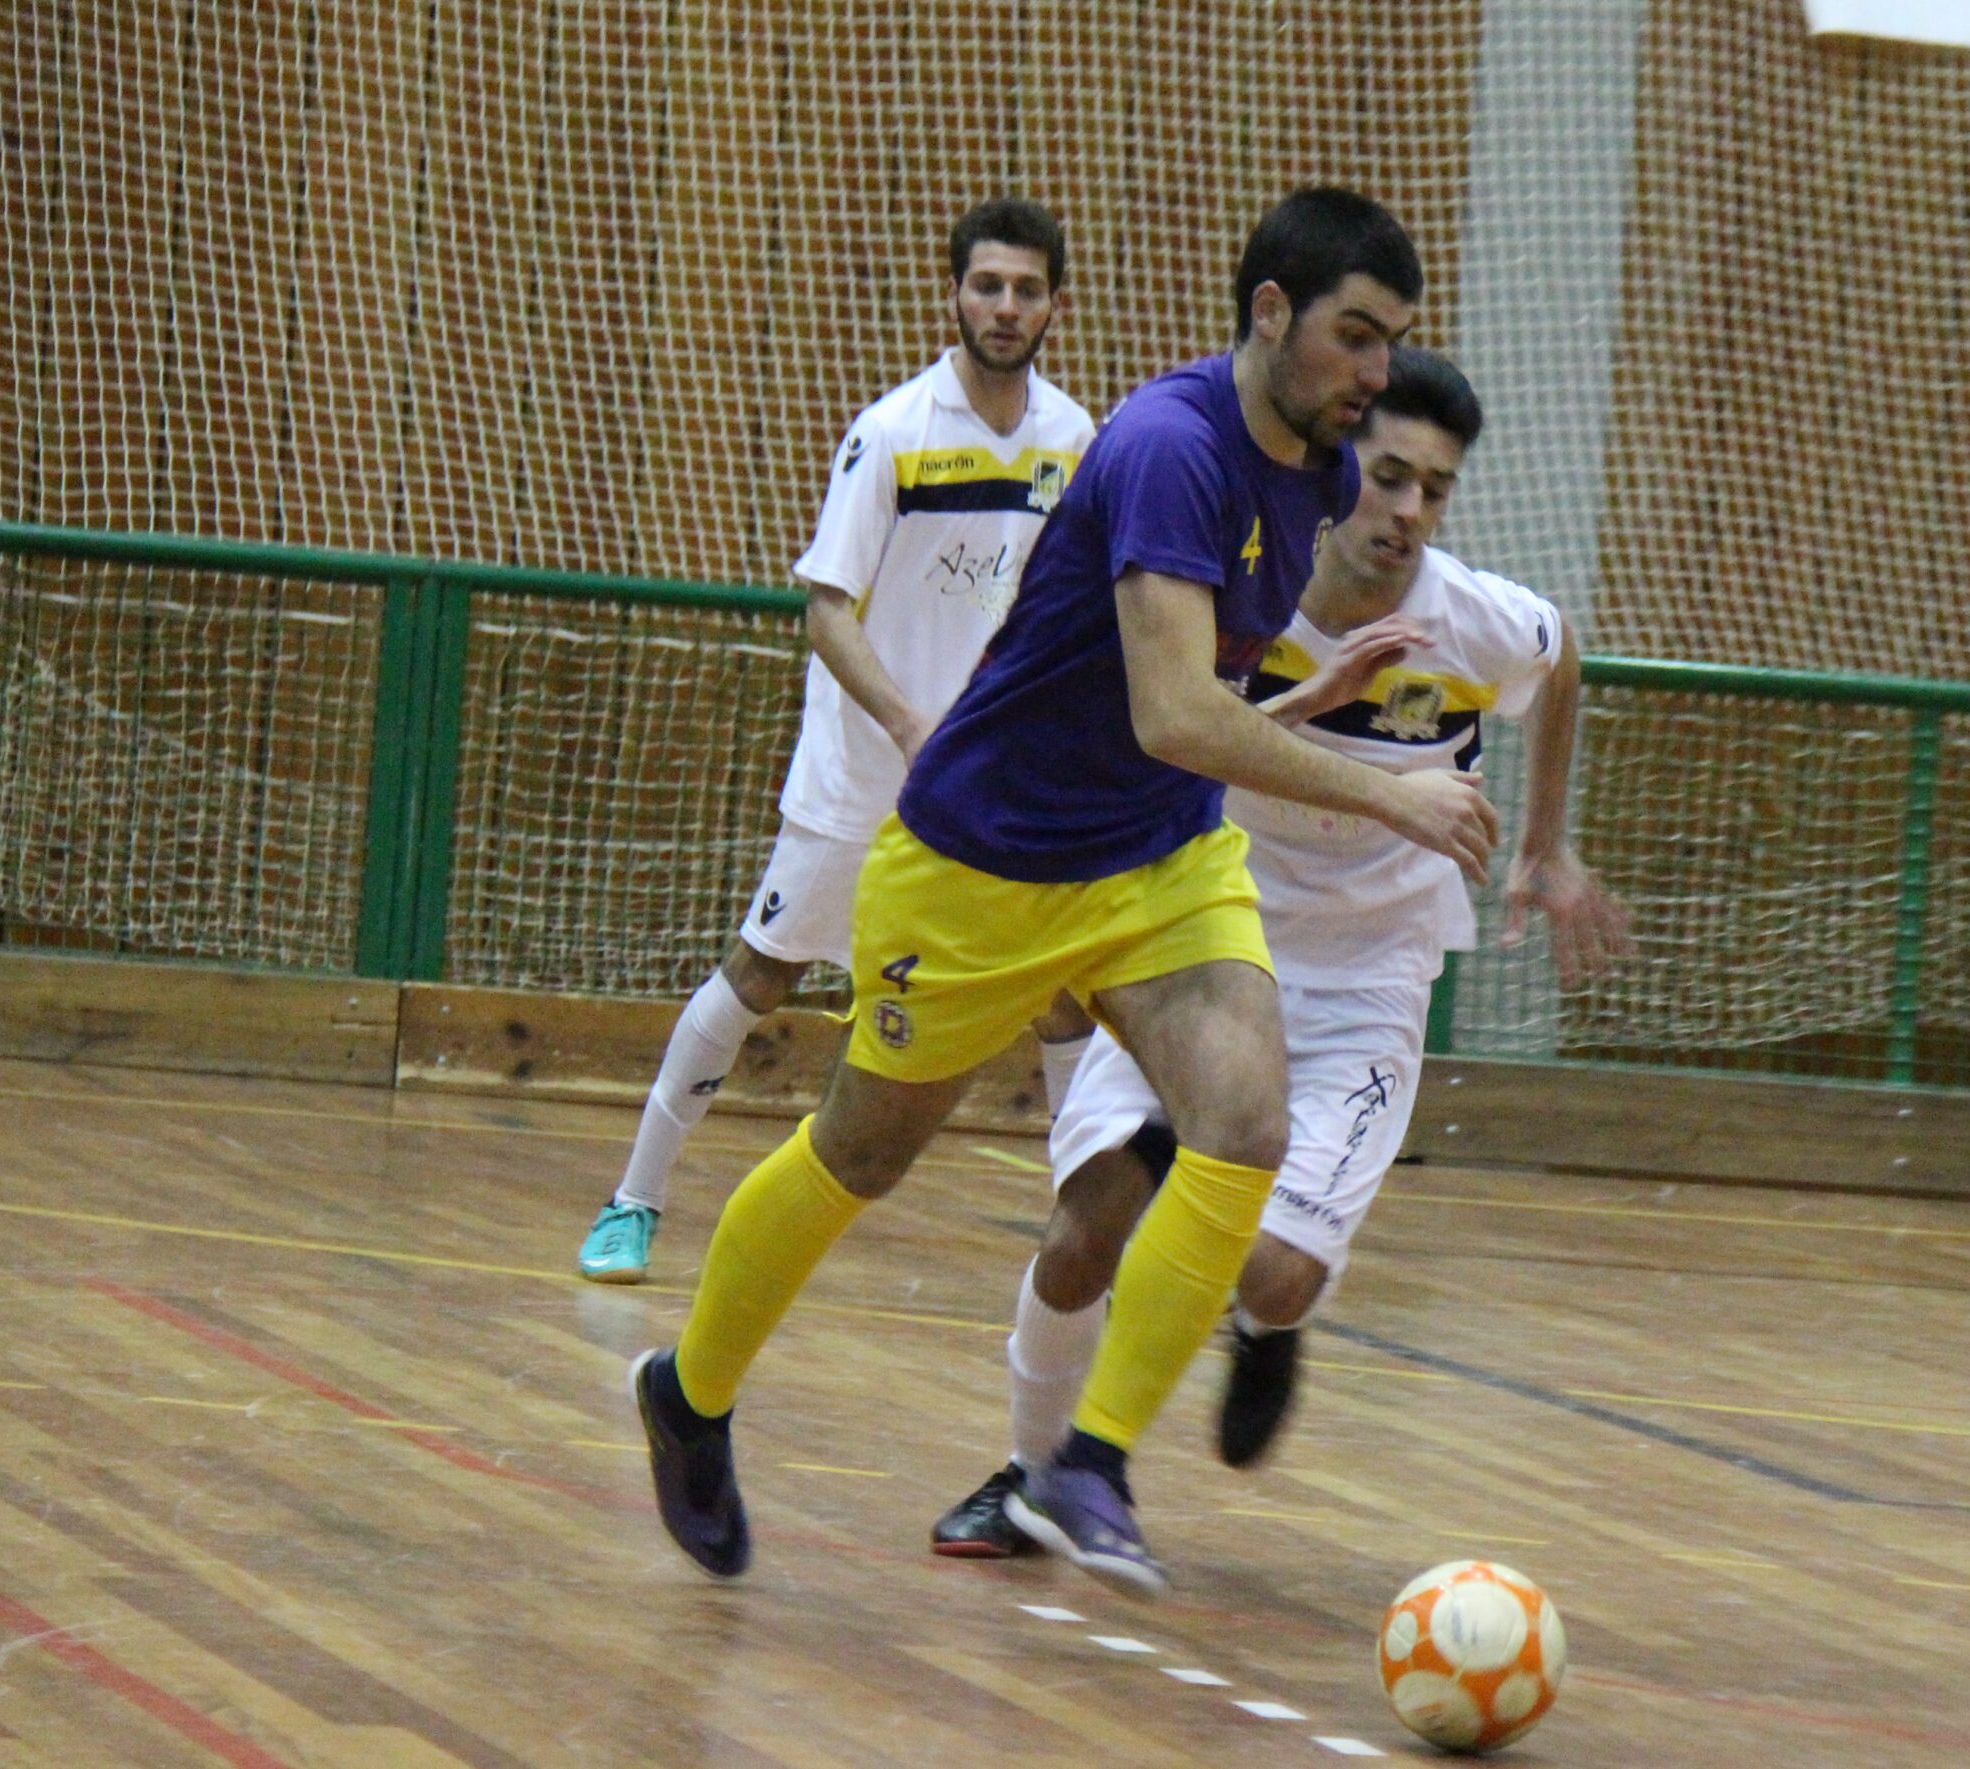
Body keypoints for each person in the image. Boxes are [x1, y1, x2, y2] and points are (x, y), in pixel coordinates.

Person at [630, 187, 1499, 1596]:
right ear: (1269, 314)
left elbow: (1200, 677)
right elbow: (1169, 706)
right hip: (982, 861)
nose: (1376, 374)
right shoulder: (1166, 446)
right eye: (1354, 336)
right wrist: (1390, 789)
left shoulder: (1327, 474)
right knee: (860, 1156)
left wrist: (1300, 685)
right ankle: (690, 1390)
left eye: (1393, 342)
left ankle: (1086, 1465)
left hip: (1156, 859)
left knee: (1245, 1120)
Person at [928, 349, 1631, 1558]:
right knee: (1086, 1220)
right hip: (1204, 935)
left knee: (1270, 1272)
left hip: (1367, 979)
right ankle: (1030, 1470)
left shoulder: (1469, 619)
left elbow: (1560, 654)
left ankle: (1261, 1324)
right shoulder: (1241, 584)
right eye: (1389, 475)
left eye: (1435, 490)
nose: (1407, 510)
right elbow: (1170, 730)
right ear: (1337, 462)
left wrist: (1549, 850)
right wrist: (1323, 727)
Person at [577, 198, 1098, 1284]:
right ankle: (633, 1198)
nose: (1006, 307)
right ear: (952, 291)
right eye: (987, 285)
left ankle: (1091, 1237)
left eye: (1026, 288)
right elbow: (826, 608)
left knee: (1060, 997)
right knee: (761, 970)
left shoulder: (1074, 441)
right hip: (867, 778)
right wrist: (914, 726)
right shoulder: (894, 431)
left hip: (997, 790)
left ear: (1057, 300)